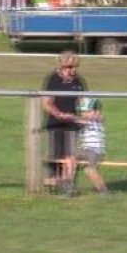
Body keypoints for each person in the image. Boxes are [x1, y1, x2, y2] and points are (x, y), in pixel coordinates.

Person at [42, 50, 86, 196]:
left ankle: (68, 185)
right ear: (61, 67)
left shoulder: (79, 80)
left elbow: (83, 101)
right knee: (55, 156)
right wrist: (60, 115)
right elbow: (47, 103)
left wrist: (86, 115)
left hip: (72, 125)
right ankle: (50, 182)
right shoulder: (52, 79)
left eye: (74, 67)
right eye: (69, 67)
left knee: (71, 155)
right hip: (55, 124)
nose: (73, 71)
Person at [75, 97, 109, 195]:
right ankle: (68, 185)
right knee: (70, 158)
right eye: (83, 112)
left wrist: (96, 115)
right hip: (84, 150)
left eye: (88, 111)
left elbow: (101, 118)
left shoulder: (96, 120)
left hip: (95, 151)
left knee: (89, 170)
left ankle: (103, 190)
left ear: (96, 111)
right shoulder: (83, 121)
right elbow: (78, 122)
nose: (85, 114)